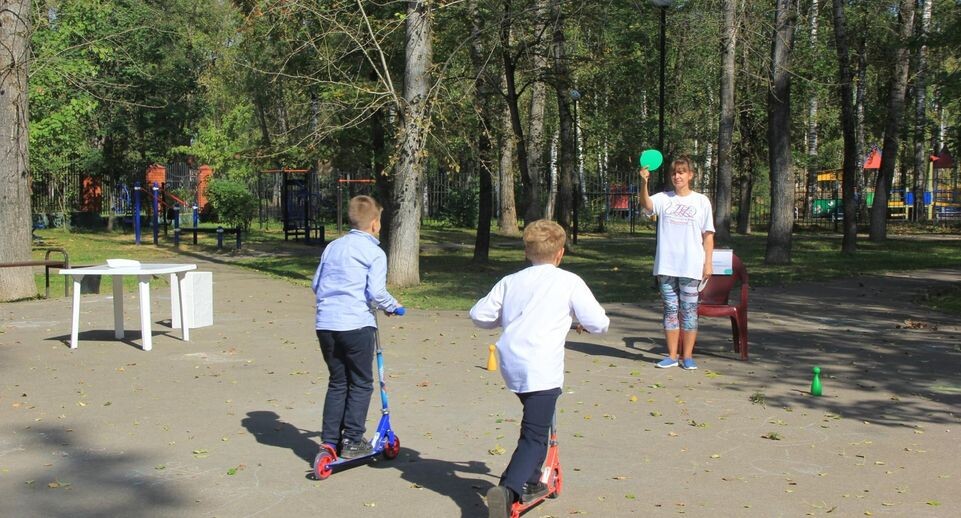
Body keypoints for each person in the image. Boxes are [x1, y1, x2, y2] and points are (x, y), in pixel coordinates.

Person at [469, 219, 609, 518]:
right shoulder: (569, 281)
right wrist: (583, 323)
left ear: (526, 252)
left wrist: (506, 318)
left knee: (537, 424)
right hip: (541, 367)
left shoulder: (510, 281)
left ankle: (532, 480)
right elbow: (599, 322)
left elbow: (480, 314)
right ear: (560, 253)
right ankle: (508, 489)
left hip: (513, 363)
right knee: (533, 436)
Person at [312, 195, 402, 458]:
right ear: (375, 223)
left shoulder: (333, 247)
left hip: (326, 324)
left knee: (338, 381)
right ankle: (352, 439)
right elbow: (376, 291)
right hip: (355, 324)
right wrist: (393, 306)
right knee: (361, 382)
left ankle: (330, 440)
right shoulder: (374, 252)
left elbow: (316, 284)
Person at [639, 155, 715, 370]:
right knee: (670, 310)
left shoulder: (701, 201)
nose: (677, 176)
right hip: (666, 266)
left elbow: (708, 236)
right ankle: (672, 356)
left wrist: (708, 263)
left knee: (689, 311)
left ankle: (687, 356)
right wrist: (644, 183)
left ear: (690, 175)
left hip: (691, 266)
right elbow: (646, 205)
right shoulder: (664, 198)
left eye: (681, 172)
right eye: (674, 173)